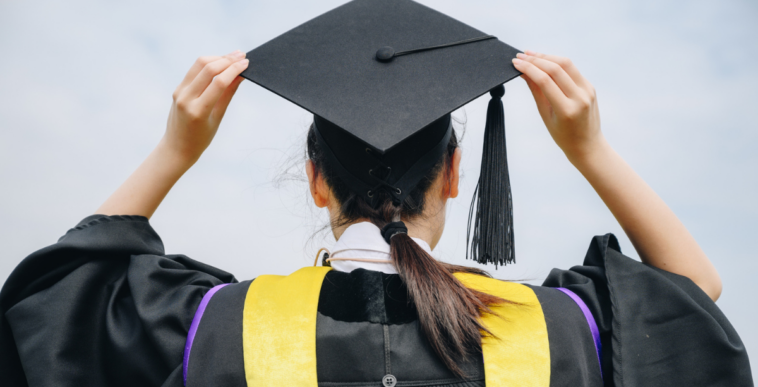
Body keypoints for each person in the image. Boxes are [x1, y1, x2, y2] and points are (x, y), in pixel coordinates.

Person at [0, 0, 752, 386]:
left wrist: (174, 149)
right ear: (456, 177)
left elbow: (56, 297)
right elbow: (690, 298)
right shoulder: (558, 331)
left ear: (316, 176)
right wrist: (589, 147)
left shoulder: (213, 327)